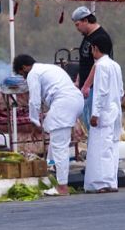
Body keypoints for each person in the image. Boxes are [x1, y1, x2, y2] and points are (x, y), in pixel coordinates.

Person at [14, 54, 85, 196]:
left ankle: (62, 187)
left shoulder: (33, 73)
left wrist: (34, 123)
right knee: (55, 136)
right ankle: (52, 171)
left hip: (64, 102)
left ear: (24, 68)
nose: (24, 78)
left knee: (59, 147)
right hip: (75, 101)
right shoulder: (47, 67)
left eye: (22, 75)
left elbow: (34, 101)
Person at [85, 32, 123, 193]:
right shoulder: (115, 65)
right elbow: (120, 91)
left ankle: (101, 183)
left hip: (104, 112)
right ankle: (110, 181)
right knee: (111, 147)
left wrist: (95, 114)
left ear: (95, 48)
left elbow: (100, 91)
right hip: (114, 111)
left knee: (100, 148)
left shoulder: (101, 66)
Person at [71, 6, 113, 125]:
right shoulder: (87, 36)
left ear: (86, 20)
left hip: (94, 87)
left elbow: (98, 65)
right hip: (86, 86)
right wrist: (78, 80)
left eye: (77, 24)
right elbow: (84, 61)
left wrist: (86, 85)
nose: (77, 28)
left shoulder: (100, 37)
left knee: (93, 123)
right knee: (86, 120)